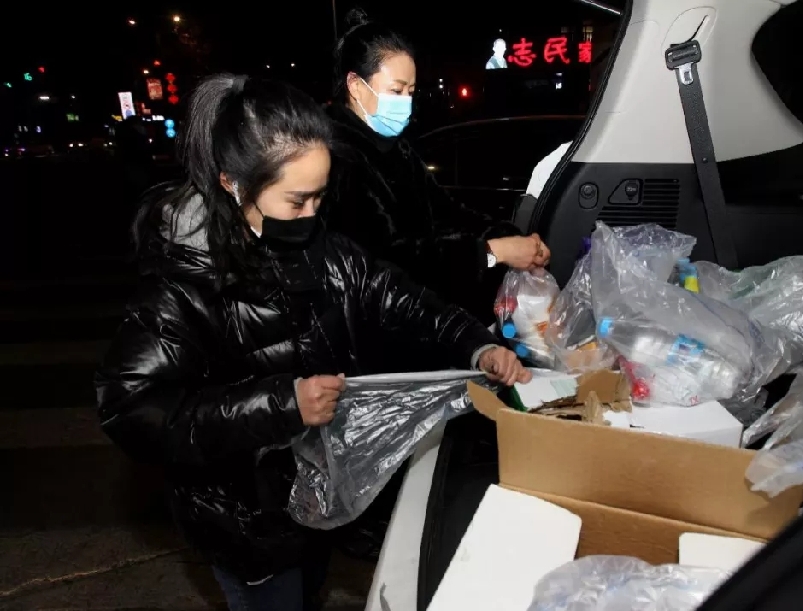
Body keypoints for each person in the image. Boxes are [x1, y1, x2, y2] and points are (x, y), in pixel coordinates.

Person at [94, 73, 531, 611]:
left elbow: (401, 299)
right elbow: (130, 407)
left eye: (320, 197)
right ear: (233, 183)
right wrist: (283, 404)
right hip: (245, 523)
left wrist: (476, 346)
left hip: (311, 502)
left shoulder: (321, 247)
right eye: (296, 200)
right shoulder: (184, 283)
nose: (312, 215)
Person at [324, 8, 550, 330]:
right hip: (382, 331)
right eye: (396, 91)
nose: (405, 102)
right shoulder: (336, 159)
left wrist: (513, 237)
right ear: (356, 86)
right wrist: (491, 252)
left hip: (430, 319)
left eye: (411, 92)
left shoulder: (396, 149)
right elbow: (386, 264)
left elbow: (448, 211)